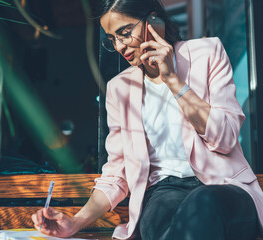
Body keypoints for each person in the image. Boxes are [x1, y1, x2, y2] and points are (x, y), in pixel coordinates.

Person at [31, 0, 263, 239]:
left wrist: (173, 80)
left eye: (124, 33)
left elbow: (224, 139)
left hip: (222, 189)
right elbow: (116, 174)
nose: (120, 46)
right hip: (163, 193)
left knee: (202, 202)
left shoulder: (207, 53)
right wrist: (75, 222)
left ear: (154, 21)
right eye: (112, 39)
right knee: (158, 218)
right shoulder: (119, 88)